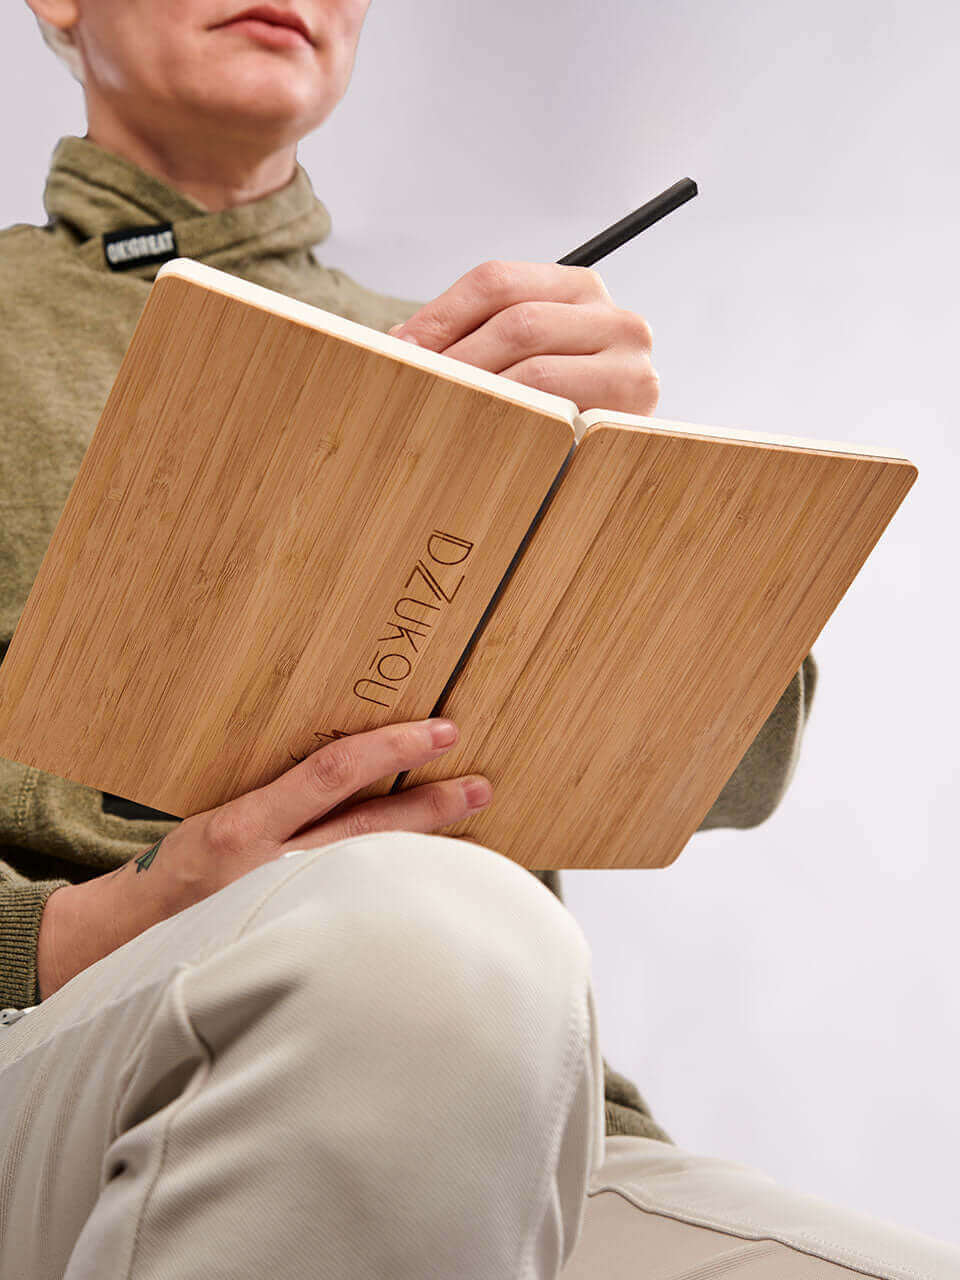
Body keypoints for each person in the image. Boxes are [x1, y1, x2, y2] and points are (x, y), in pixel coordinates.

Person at [1, 3, 954, 1277]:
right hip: (64, 1037)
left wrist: (637, 499)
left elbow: (733, 765)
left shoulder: (508, 373)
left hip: (511, 1101)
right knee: (411, 932)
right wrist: (123, 912)